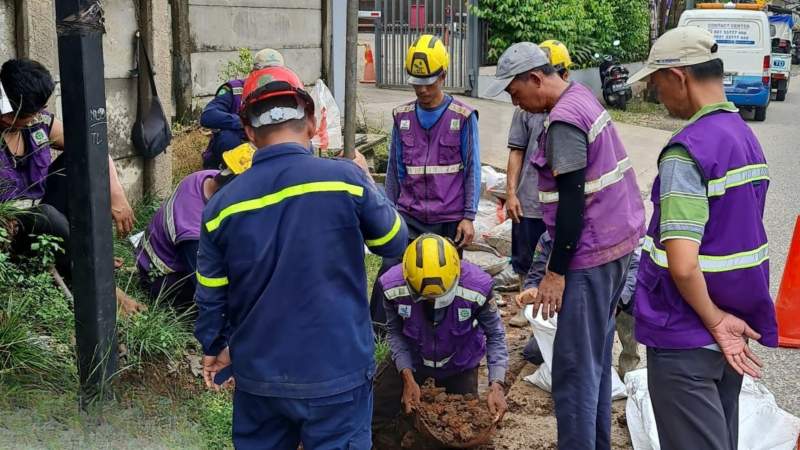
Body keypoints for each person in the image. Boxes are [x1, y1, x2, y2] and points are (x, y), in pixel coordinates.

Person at [194, 65, 408, 449]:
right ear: (311, 122)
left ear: (248, 133)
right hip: (337, 374)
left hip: (260, 379)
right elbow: (394, 242)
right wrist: (365, 179)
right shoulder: (344, 180)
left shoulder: (220, 207)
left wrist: (215, 346)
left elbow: (210, 294)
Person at [485, 42, 645, 450]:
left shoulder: (564, 122)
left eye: (515, 91)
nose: (514, 101)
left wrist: (554, 275)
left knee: (573, 371)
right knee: (592, 360)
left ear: (536, 78)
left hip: (591, 255)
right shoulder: (581, 99)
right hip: (614, 246)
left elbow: (573, 201)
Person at [626, 27, 777, 450]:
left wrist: (712, 319)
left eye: (657, 84)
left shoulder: (686, 151)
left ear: (678, 77)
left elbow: (684, 262)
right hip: (730, 323)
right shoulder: (744, 136)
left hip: (688, 329)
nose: (658, 97)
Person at [0, 58, 144, 315]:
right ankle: (105, 287)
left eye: (36, 112)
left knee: (79, 161)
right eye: (26, 114)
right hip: (12, 231)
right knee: (45, 216)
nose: (33, 118)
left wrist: (117, 194)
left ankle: (92, 252)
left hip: (48, 215)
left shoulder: (38, 123)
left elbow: (92, 147)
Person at [373, 34, 481, 328]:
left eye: (429, 82)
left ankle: (440, 336)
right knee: (391, 273)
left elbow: (472, 169)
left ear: (443, 76)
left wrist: (468, 216)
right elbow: (395, 169)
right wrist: (389, 211)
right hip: (409, 216)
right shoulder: (402, 116)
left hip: (449, 219)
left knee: (443, 284)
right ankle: (381, 333)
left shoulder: (462, 116)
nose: (422, 88)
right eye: (416, 82)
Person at [372, 234, 508, 447]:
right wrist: (407, 377)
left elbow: (495, 335)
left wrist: (497, 384)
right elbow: (395, 333)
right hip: (413, 355)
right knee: (374, 413)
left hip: (459, 362)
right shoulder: (391, 285)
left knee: (463, 431)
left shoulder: (478, 286)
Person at [136, 144, 253, 309]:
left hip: (156, 257)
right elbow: (207, 286)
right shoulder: (193, 231)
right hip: (163, 281)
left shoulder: (204, 178)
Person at [506, 39, 572, 328]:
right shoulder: (524, 109)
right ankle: (528, 306)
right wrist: (511, 193)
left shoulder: (570, 114)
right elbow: (516, 150)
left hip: (559, 208)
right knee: (526, 261)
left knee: (558, 259)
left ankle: (555, 314)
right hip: (530, 202)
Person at [517, 231, 642, 379]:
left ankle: (628, 366)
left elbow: (634, 267)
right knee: (533, 354)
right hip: (569, 304)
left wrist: (617, 300)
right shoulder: (550, 237)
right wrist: (531, 289)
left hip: (607, 299)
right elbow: (536, 273)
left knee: (632, 302)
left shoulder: (611, 230)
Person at [200, 48, 284, 169]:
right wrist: (243, 122)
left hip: (269, 141)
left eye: (275, 73)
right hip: (239, 143)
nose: (270, 77)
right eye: (265, 73)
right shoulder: (235, 89)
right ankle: (227, 179)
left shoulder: (284, 92)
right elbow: (208, 116)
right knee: (227, 138)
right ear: (253, 72)